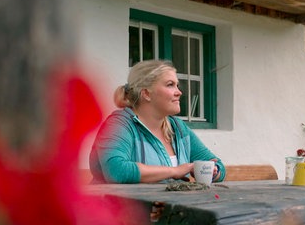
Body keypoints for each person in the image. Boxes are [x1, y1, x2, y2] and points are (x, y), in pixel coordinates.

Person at [89, 59, 226, 184]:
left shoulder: (178, 127)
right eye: (170, 85)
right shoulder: (118, 125)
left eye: (177, 85)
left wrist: (214, 171)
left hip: (168, 210)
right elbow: (117, 171)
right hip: (122, 210)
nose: (179, 92)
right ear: (146, 93)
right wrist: (175, 171)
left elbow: (217, 165)